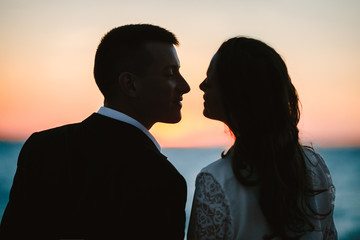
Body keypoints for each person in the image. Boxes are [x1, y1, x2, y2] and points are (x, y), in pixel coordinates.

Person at [0, 24, 190, 239]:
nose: (185, 86)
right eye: (170, 74)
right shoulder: (163, 181)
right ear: (130, 84)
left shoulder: (42, 146)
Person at [187, 37, 337, 240]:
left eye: (211, 78)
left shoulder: (215, 180)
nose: (201, 85)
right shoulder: (314, 167)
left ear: (237, 91)